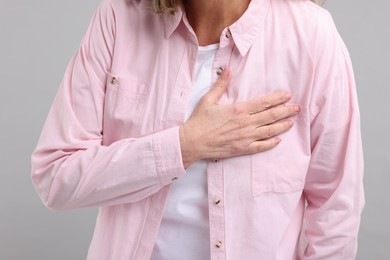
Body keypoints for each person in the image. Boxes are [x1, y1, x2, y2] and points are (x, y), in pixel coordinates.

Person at [31, 0, 364, 259]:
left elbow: (337, 207)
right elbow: (55, 176)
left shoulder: (312, 37)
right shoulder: (119, 17)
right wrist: (185, 145)